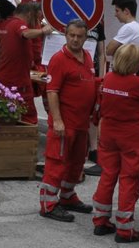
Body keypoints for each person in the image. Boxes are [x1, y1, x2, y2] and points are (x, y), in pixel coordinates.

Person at [90, 44, 139, 242]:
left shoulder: (108, 78)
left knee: (107, 176)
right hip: (130, 135)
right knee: (129, 179)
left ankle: (100, 220)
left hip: (108, 132)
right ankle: (125, 229)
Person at [37, 19, 97, 221]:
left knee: (76, 162)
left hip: (81, 123)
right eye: (71, 35)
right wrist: (58, 120)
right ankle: (48, 204)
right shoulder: (58, 59)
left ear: (85, 37)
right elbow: (52, 91)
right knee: (57, 162)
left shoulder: (87, 56)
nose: (75, 39)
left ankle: (68, 196)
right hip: (65, 123)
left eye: (79, 36)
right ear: (65, 35)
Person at [0, 0, 51, 125]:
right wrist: (42, 31)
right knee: (28, 117)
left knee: (5, 115)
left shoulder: (5, 24)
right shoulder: (18, 24)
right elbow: (25, 33)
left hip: (4, 77)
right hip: (18, 81)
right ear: (30, 14)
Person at [103, 0, 139, 67]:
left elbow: (108, 50)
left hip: (121, 73)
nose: (115, 14)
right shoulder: (138, 27)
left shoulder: (129, 28)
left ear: (126, 11)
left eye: (117, 11)